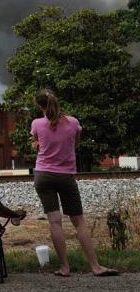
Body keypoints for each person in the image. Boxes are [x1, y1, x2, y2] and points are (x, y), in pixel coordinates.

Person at [32, 89, 118, 277]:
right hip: (66, 176)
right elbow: (75, 144)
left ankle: (64, 268)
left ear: (39, 106)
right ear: (57, 101)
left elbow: (37, 143)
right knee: (79, 222)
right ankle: (95, 266)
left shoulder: (36, 123)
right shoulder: (73, 123)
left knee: (55, 221)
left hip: (43, 175)